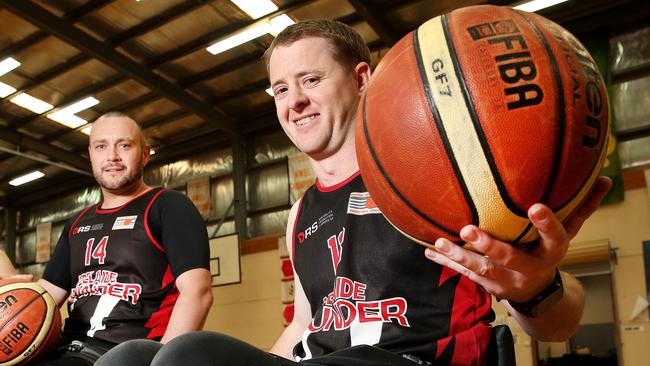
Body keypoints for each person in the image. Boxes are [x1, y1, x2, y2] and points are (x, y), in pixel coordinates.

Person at [95, 20, 612, 366]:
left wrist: (534, 288)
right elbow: (305, 323)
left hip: (412, 359)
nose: (294, 101)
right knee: (130, 359)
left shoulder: (436, 175)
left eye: (311, 79)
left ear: (361, 77)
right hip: (321, 358)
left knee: (189, 357)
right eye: (280, 89)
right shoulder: (302, 212)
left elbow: (560, 320)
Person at [0, 112, 213, 365]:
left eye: (124, 145)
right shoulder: (77, 224)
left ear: (144, 154)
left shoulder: (168, 206)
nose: (112, 156)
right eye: (101, 146)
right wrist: (12, 289)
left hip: (128, 352)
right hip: (67, 350)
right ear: (91, 154)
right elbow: (43, 299)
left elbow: (198, 293)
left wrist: (163, 361)